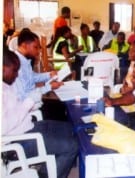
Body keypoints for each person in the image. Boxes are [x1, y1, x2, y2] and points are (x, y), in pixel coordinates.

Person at [2, 49, 79, 178]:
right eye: (14, 71)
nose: (16, 75)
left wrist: (32, 104)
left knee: (71, 128)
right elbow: (3, 127)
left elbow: (15, 110)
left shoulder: (5, 85)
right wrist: (28, 103)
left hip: (27, 127)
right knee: (72, 146)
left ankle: (45, 171)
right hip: (17, 142)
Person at [12, 30, 63, 101]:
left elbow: (32, 76)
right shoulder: (15, 65)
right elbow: (24, 96)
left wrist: (49, 75)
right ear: (24, 45)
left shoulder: (25, 60)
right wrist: (48, 87)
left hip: (33, 100)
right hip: (26, 106)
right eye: (35, 47)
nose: (38, 51)